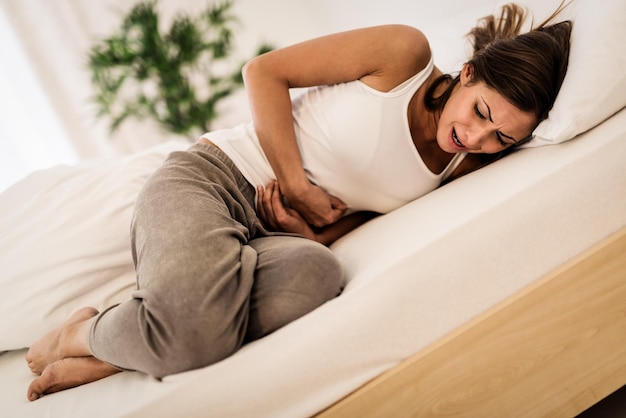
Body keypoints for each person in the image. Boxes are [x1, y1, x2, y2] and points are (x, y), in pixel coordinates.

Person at [25, 2, 572, 401]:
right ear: (469, 73)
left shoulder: (463, 164)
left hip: (274, 234)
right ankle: (85, 333)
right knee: (196, 334)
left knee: (317, 274)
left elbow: (355, 215)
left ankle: (132, 339)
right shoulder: (403, 55)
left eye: (503, 138)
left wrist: (304, 234)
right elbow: (264, 72)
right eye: (480, 113)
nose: (477, 138)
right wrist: (296, 184)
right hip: (214, 180)